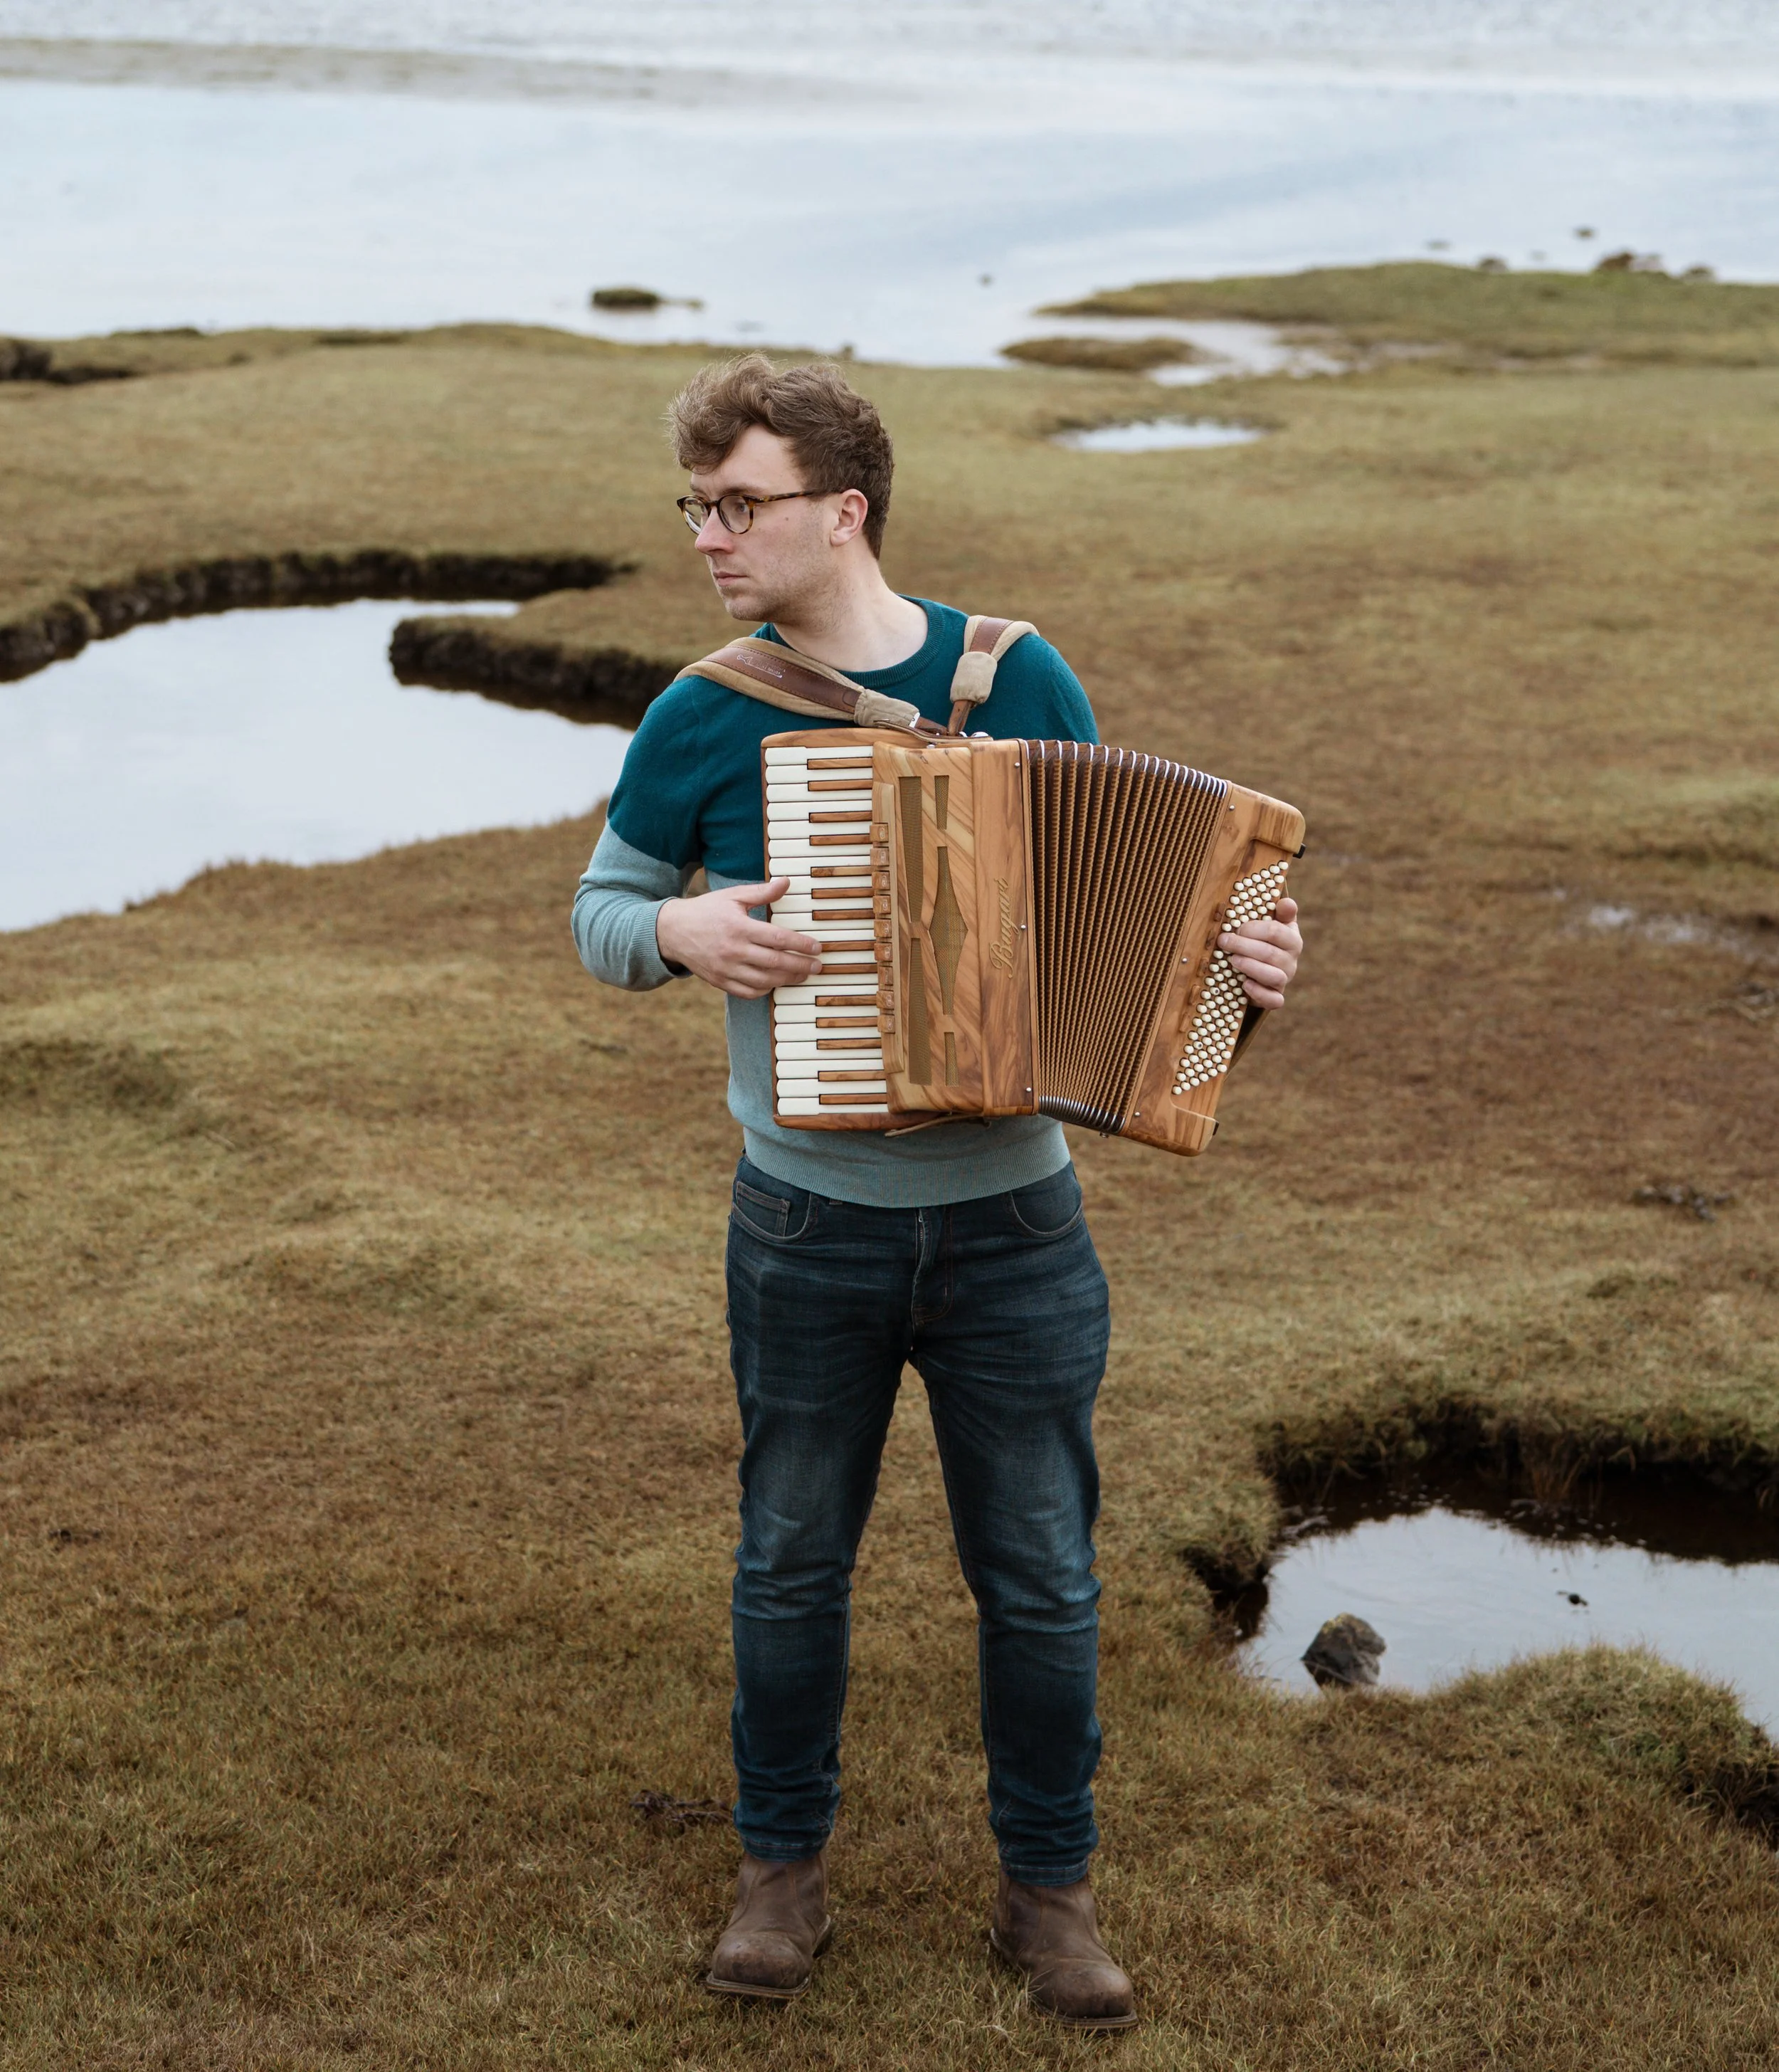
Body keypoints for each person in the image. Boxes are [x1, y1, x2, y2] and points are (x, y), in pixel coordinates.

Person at [571, 356, 1302, 2031]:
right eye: (695, 507)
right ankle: (780, 1873)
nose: (708, 535)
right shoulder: (704, 709)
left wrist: (1238, 974)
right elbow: (604, 911)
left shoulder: (1013, 674)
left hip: (1014, 1226)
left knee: (1040, 1574)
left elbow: (1130, 925)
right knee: (786, 1560)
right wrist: (680, 933)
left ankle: (1049, 1895)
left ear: (844, 511)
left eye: (737, 504)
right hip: (804, 1223)